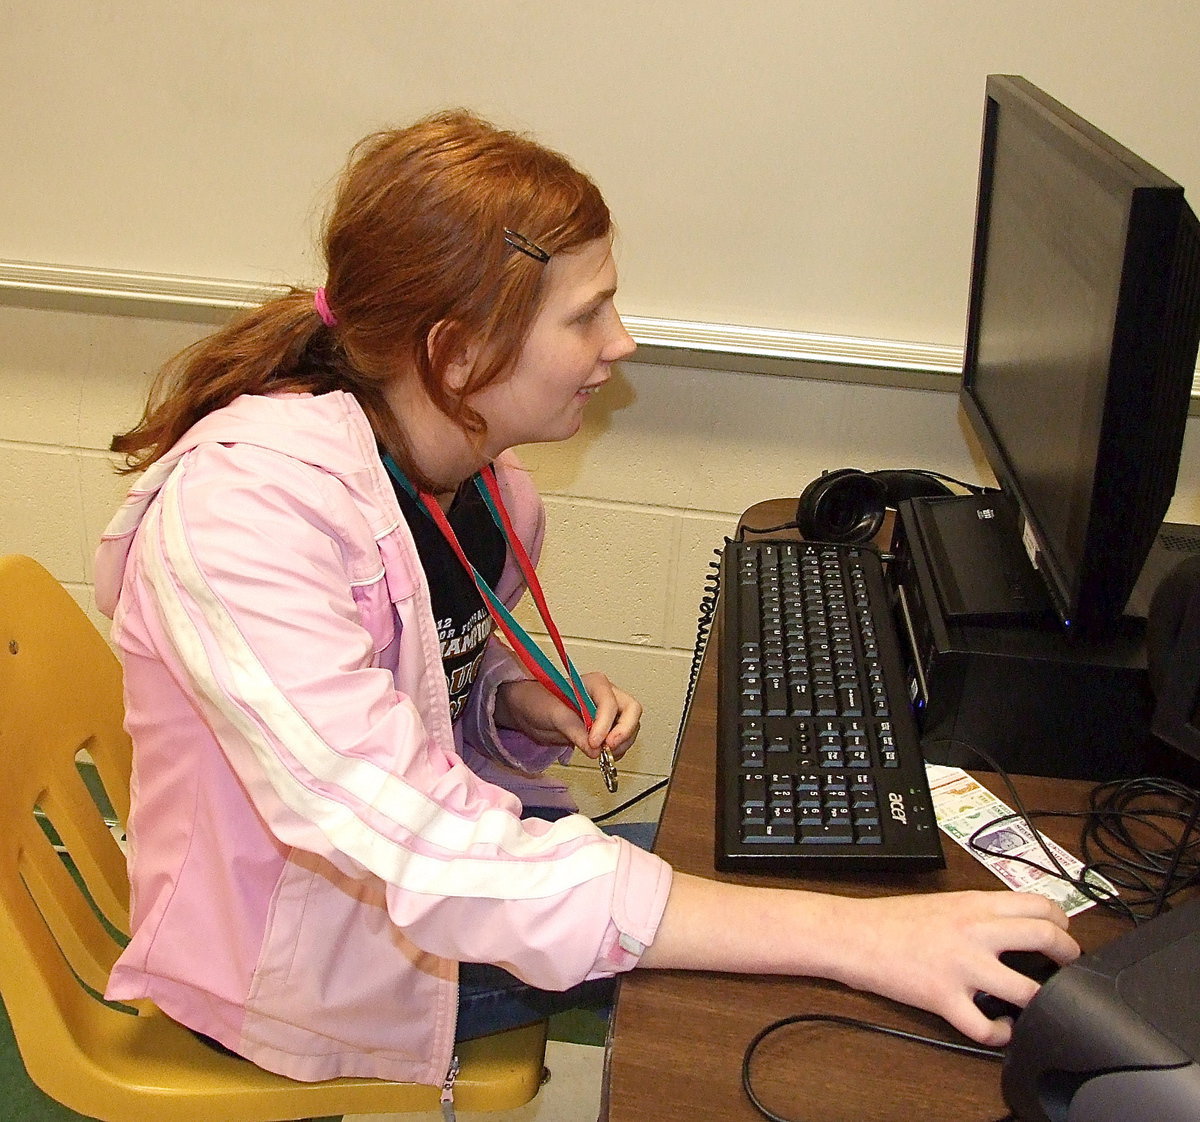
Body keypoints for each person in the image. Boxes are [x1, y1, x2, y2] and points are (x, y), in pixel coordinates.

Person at [96, 109, 1079, 1097]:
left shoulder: (469, 474)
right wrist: (852, 940)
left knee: (782, 915)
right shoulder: (244, 519)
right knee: (792, 987)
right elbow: (423, 853)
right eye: (586, 315)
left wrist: (512, 703)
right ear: (459, 349)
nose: (622, 341)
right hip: (303, 966)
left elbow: (420, 673)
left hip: (400, 895)